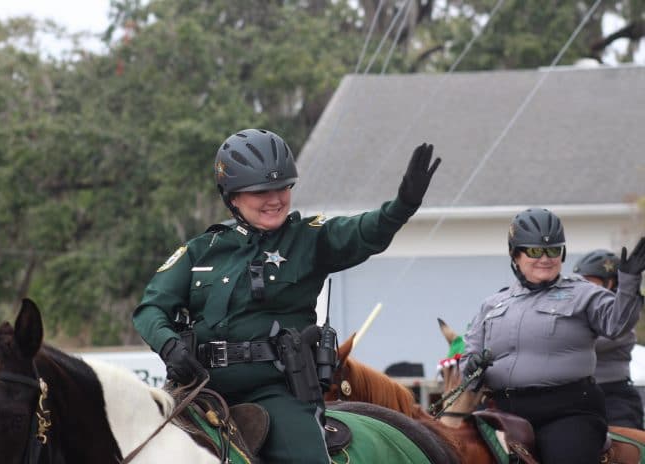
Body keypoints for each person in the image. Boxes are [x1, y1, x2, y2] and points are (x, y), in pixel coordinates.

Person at [132, 128, 441, 463]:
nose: (275, 198)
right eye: (261, 190)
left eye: (283, 187)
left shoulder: (310, 239)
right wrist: (169, 345)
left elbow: (366, 232)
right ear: (232, 196)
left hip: (277, 393)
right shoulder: (200, 250)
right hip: (196, 391)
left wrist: (402, 207)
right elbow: (150, 310)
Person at [462, 207, 645, 464]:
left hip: (566, 412)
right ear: (515, 254)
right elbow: (468, 357)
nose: (545, 258)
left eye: (554, 250)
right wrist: (471, 367)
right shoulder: (493, 304)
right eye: (535, 251)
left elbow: (617, 325)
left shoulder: (582, 294)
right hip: (498, 411)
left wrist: (629, 283)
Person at [574, 249, 644, 429]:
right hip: (577, 396)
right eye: (579, 281)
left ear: (610, 283)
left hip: (614, 398)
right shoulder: (576, 312)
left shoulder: (623, 319)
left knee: (623, 447)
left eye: (589, 281)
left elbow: (582, 342)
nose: (580, 288)